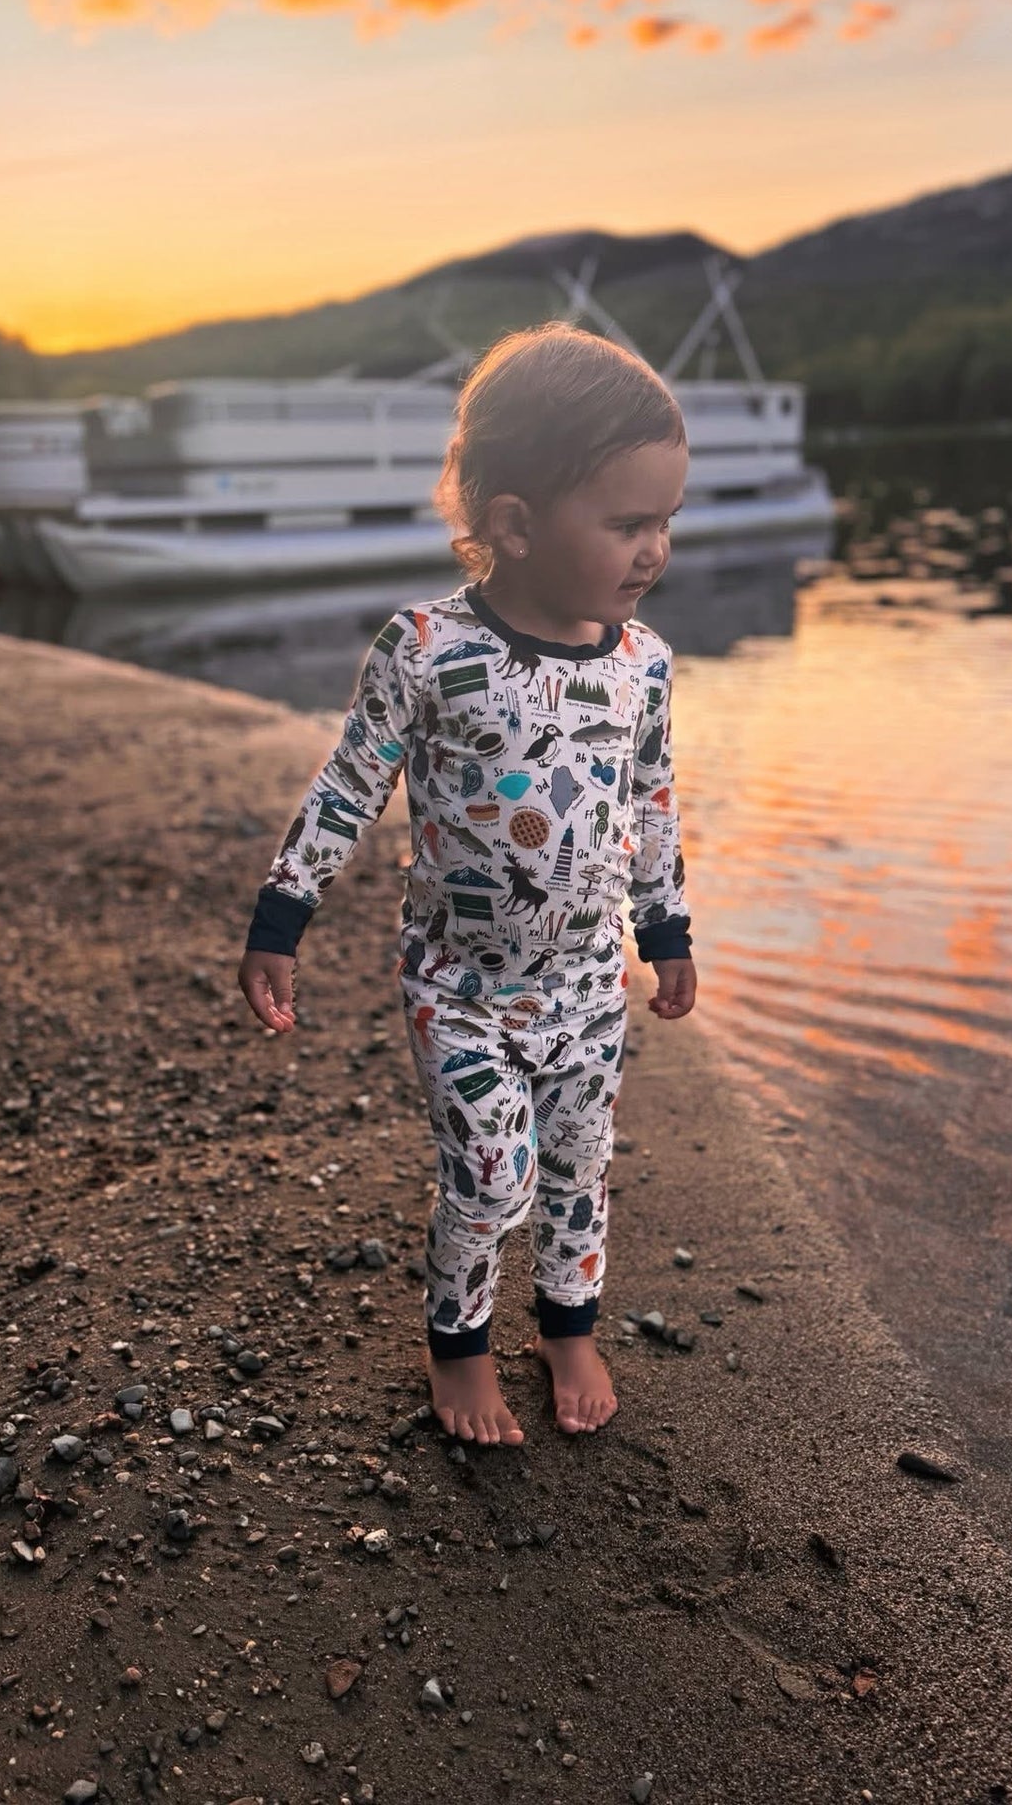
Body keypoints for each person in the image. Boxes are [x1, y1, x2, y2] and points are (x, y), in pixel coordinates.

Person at [237, 322, 697, 1447]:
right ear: (514, 524)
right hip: (460, 985)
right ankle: (458, 1349)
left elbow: (648, 799)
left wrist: (666, 923)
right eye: (628, 523)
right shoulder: (428, 650)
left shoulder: (641, 663)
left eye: (666, 521)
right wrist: (280, 915)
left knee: (580, 1168)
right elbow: (347, 786)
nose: (655, 550)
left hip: (588, 985)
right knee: (493, 1178)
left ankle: (566, 1324)